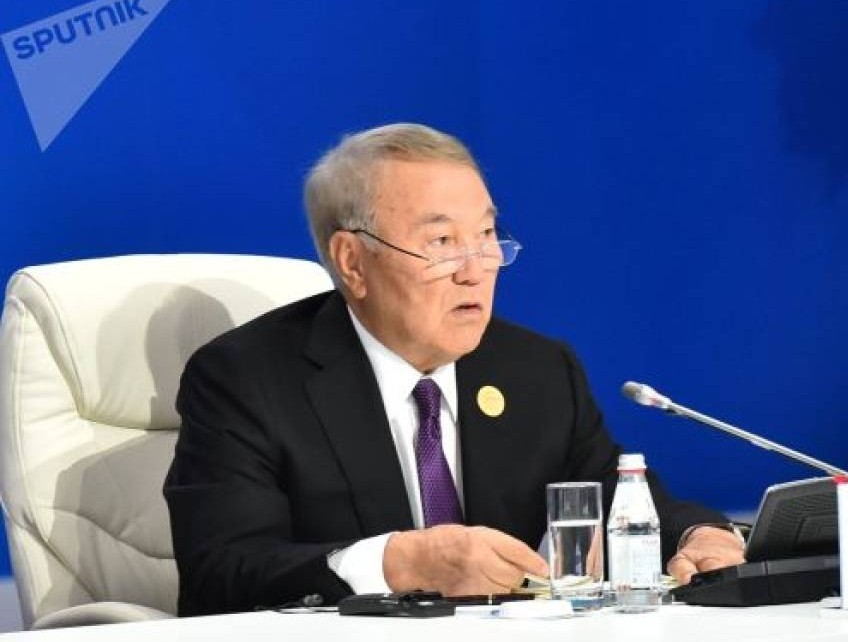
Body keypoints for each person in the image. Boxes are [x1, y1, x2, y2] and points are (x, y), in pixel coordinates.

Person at [163, 122, 746, 616]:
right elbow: (222, 572)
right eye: (442, 241)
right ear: (352, 261)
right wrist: (400, 563)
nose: (477, 269)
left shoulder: (537, 370)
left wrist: (700, 536)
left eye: (487, 235)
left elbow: (618, 496)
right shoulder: (247, 378)